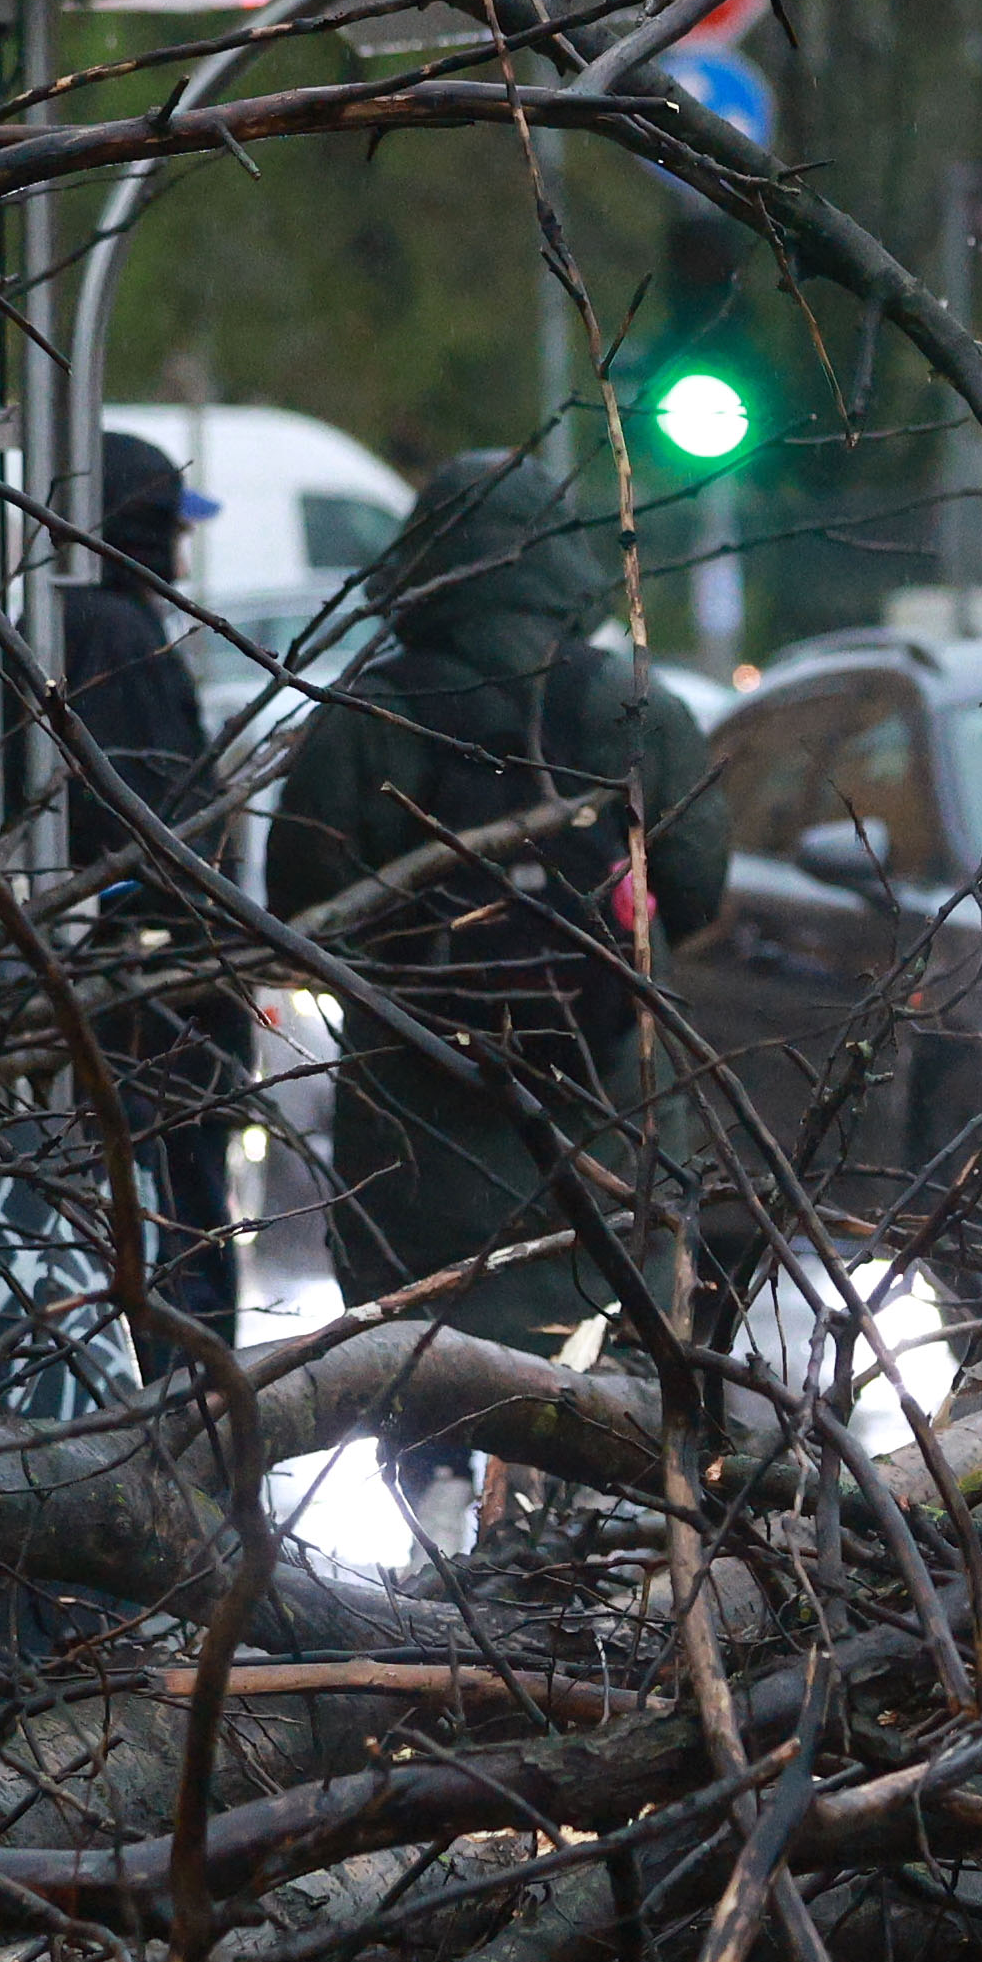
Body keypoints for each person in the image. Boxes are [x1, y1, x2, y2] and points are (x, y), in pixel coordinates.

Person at [262, 442, 711, 1378]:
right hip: (608, 1112)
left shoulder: (365, 716)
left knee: (418, 1362)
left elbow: (301, 904)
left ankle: (429, 1499)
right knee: (615, 1361)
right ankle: (611, 1515)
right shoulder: (637, 710)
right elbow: (699, 885)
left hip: (416, 1116)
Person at [55, 433, 250, 1363]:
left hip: (148, 988)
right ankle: (195, 1450)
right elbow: (146, 824)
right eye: (172, 526)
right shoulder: (118, 640)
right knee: (182, 1234)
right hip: (157, 999)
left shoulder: (99, 629)